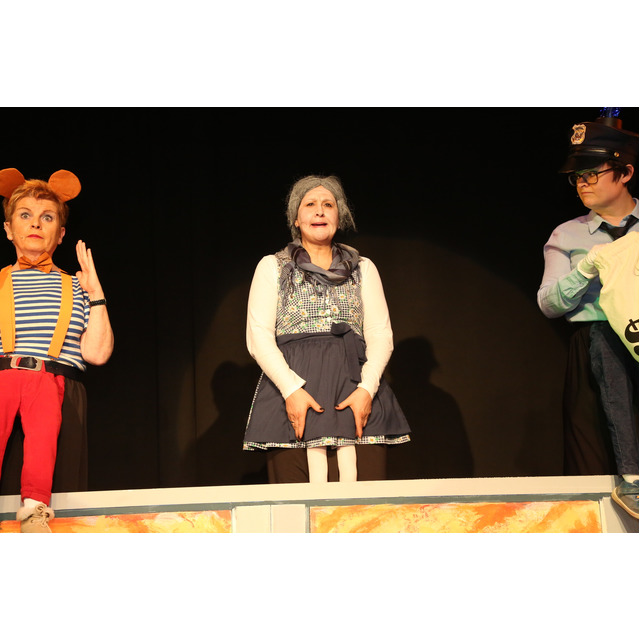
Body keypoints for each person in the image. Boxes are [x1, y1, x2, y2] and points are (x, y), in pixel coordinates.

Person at [243, 175, 410, 483]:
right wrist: (291, 390)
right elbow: (259, 336)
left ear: (339, 215)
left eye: (328, 205)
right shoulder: (273, 267)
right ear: (296, 218)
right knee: (296, 505)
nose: (319, 211)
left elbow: (380, 334)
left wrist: (366, 390)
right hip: (292, 396)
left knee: (362, 506)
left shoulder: (363, 268)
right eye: (310, 204)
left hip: (355, 394)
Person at [0, 168, 114, 532]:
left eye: (47, 217)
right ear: (8, 229)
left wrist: (96, 294)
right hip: (2, 383)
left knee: (49, 472)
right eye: (25, 215)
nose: (36, 223)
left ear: (61, 233)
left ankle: (36, 516)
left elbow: (97, 354)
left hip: (55, 390)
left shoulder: (76, 286)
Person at [537, 109, 638, 519]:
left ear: (625, 172)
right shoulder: (569, 234)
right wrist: (585, 270)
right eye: (577, 176)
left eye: (592, 173)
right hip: (595, 349)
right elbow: (549, 304)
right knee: (592, 461)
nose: (582, 183)